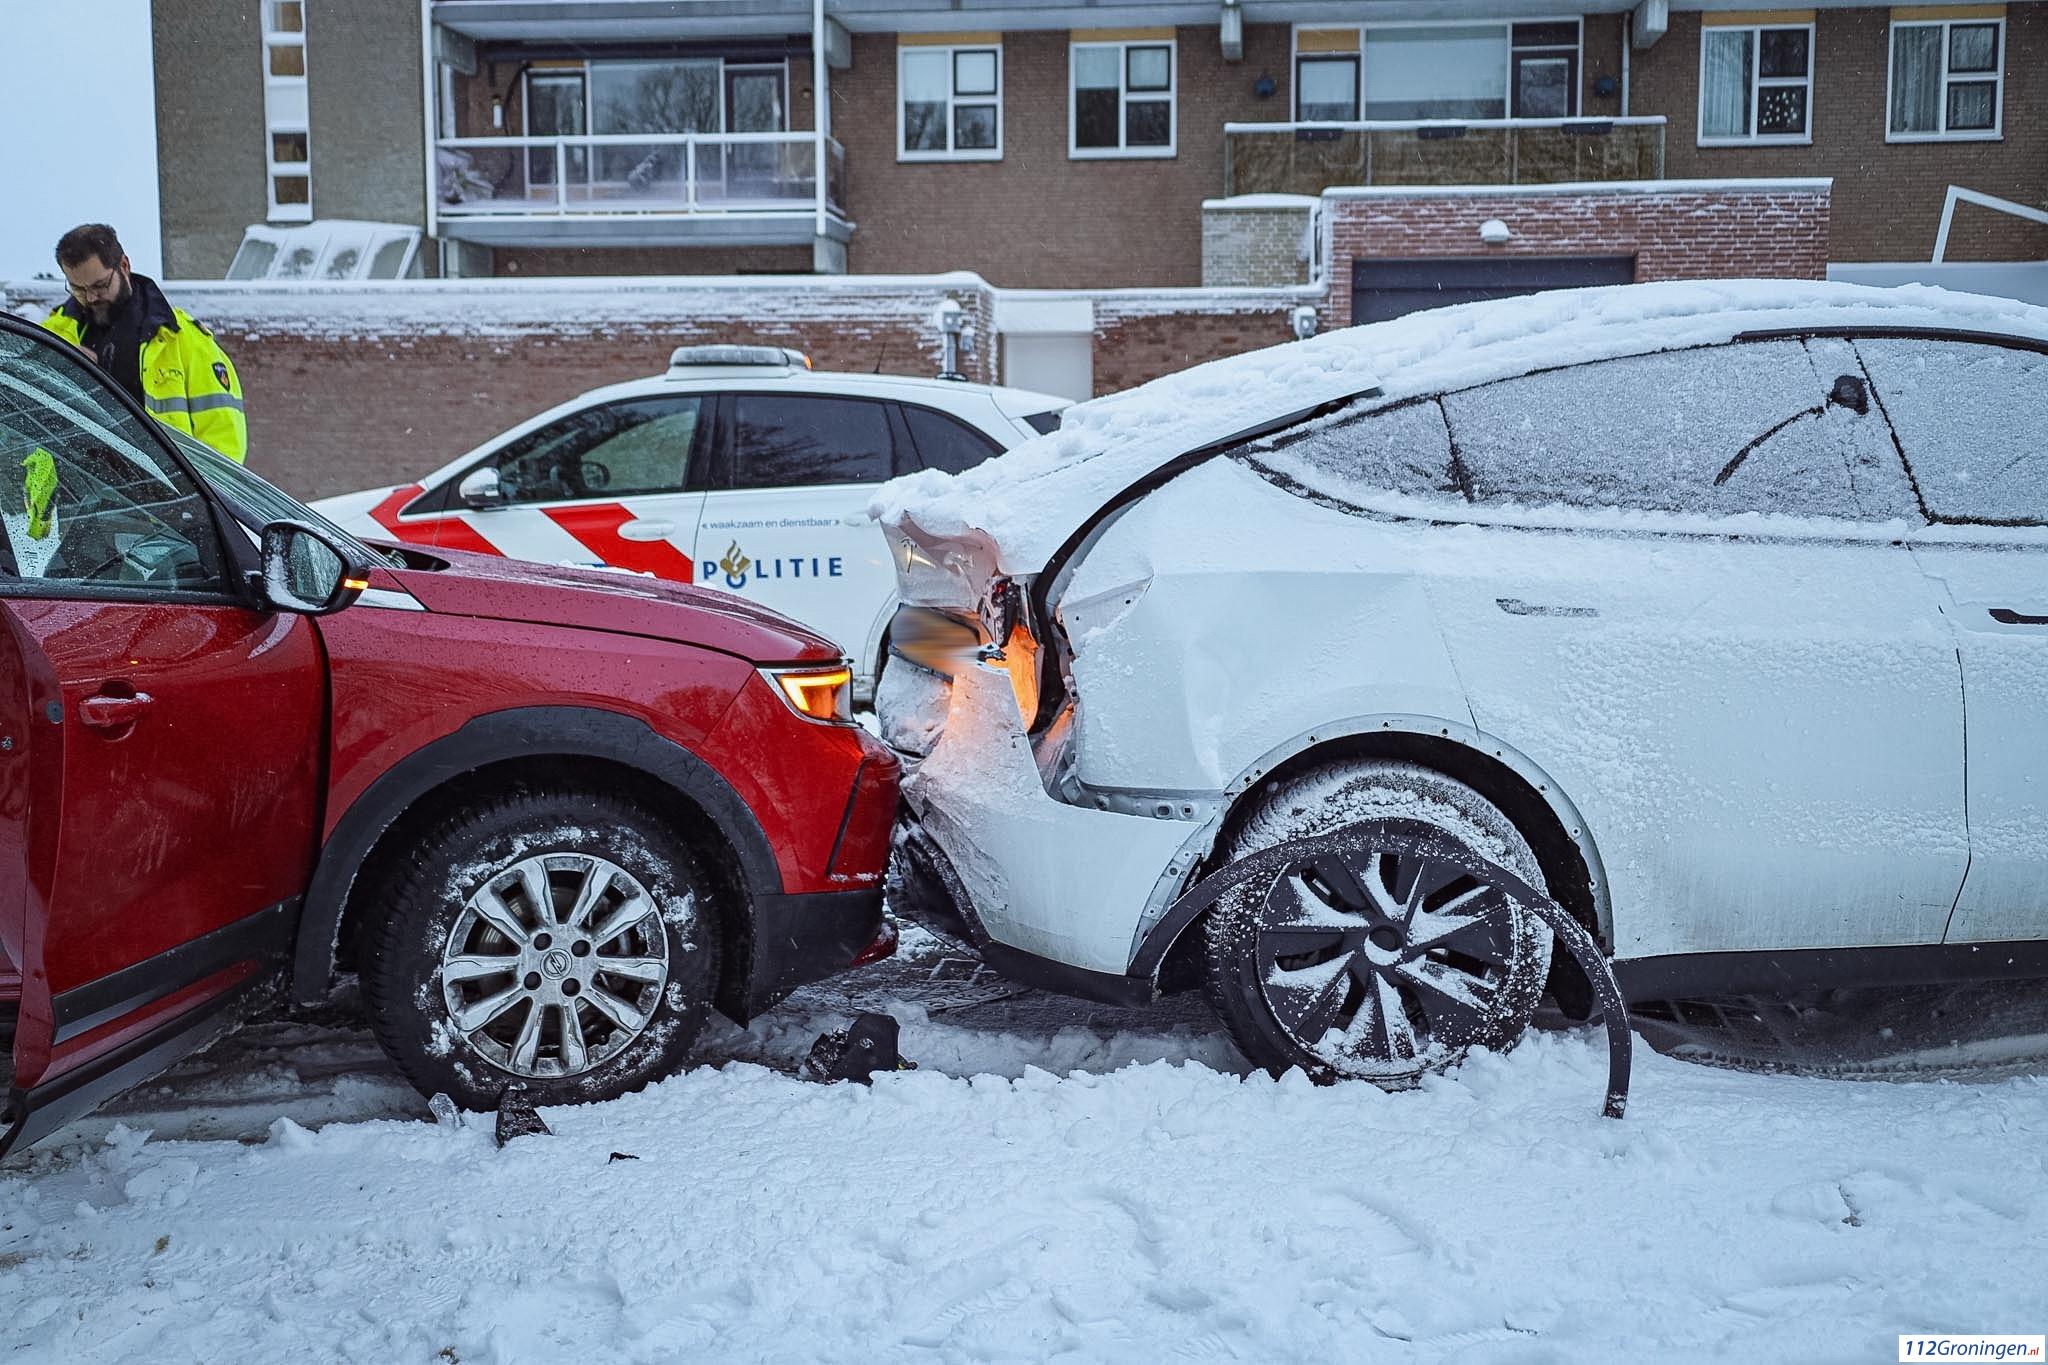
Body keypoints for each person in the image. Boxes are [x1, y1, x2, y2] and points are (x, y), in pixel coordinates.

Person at [39, 223, 247, 462]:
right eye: (77, 289)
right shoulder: (51, 338)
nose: (91, 297)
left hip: (160, 484)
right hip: (75, 483)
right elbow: (30, 427)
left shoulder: (181, 339)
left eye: (100, 285)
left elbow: (224, 446)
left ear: (124, 266)